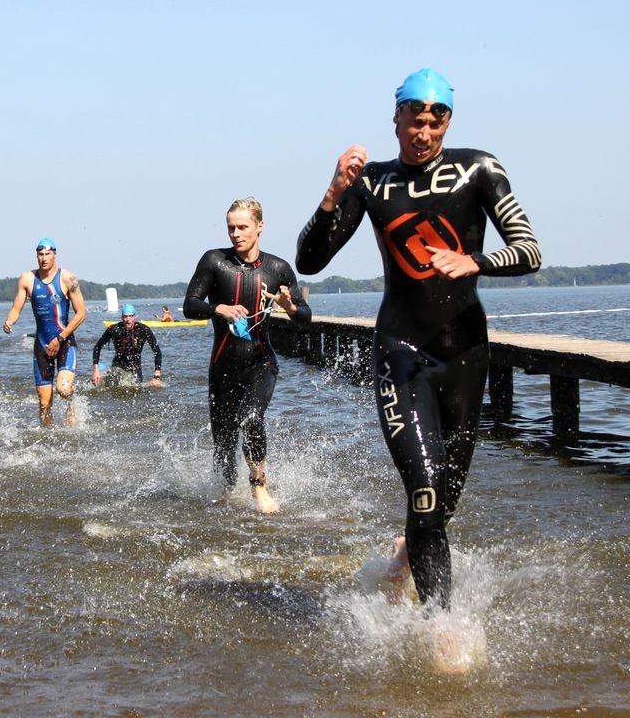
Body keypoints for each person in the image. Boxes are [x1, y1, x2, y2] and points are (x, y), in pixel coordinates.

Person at [295, 68, 542, 610]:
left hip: (465, 352)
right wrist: (334, 192)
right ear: (397, 117)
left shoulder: (479, 168)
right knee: (426, 492)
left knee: (442, 499)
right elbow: (308, 260)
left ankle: (409, 553)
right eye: (414, 120)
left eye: (435, 122)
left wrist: (474, 260)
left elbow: (529, 250)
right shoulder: (373, 182)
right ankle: (440, 625)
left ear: (447, 121)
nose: (423, 132)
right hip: (401, 353)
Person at [183, 198, 312, 514]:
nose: (236, 234)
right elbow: (189, 305)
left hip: (261, 361)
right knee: (224, 447)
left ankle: (259, 485)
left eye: (243, 227)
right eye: (231, 227)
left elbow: (305, 317)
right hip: (222, 365)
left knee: (252, 417)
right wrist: (218, 308)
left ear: (260, 227)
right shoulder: (214, 261)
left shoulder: (278, 268)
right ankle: (228, 492)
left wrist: (290, 306)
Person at [3, 237, 88, 426]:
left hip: (64, 342)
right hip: (41, 345)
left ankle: (71, 405)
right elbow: (16, 307)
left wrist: (60, 337)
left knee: (64, 389)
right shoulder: (27, 279)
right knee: (44, 403)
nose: (43, 258)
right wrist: (10, 321)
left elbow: (81, 313)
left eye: (47, 254)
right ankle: (48, 441)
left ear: (54, 255)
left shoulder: (67, 278)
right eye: (40, 254)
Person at [91, 303, 163, 388]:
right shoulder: (114, 329)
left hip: (135, 367)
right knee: (111, 387)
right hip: (118, 366)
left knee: (137, 389)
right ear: (122, 317)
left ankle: (104, 374)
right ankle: (102, 375)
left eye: (130, 316)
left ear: (134, 317)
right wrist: (95, 370)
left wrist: (156, 376)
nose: (127, 320)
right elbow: (97, 347)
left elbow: (157, 352)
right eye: (125, 317)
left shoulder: (143, 330)